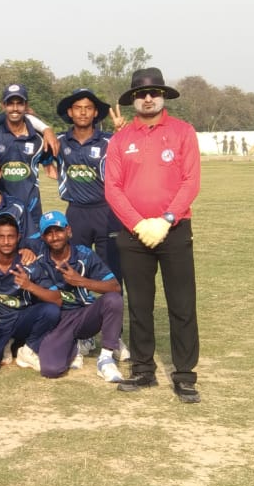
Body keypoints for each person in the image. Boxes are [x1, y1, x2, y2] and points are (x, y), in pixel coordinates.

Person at [104, 67, 202, 403]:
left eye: (153, 93)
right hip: (134, 234)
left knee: (182, 304)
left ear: (162, 96)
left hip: (174, 230)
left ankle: (185, 375)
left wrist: (166, 219)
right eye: (141, 94)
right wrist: (138, 224)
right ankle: (143, 369)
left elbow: (191, 181)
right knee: (140, 305)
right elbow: (113, 188)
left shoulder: (183, 132)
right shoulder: (120, 140)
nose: (148, 98)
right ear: (133, 99)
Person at [23, 211, 127, 381]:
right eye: (49, 233)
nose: (54, 237)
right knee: (51, 369)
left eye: (58, 230)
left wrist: (81, 281)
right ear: (42, 237)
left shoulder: (84, 254)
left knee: (113, 300)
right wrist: (24, 250)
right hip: (58, 320)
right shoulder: (39, 256)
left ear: (69, 230)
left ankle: (106, 359)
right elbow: (9, 242)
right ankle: (75, 345)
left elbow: (115, 287)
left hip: (85, 315)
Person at [0, 213, 60, 374]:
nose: (6, 242)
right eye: (1, 237)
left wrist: (29, 286)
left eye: (11, 237)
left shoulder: (28, 263)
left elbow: (57, 299)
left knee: (51, 311)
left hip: (21, 320)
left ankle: (28, 349)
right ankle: (6, 343)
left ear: (18, 237)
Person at [49, 88, 123, 276]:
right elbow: (40, 154)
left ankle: (113, 296)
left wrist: (123, 134)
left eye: (88, 108)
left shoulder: (109, 140)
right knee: (75, 268)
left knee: (111, 269)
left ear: (95, 112)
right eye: (78, 108)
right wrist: (44, 128)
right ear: (70, 112)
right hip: (76, 213)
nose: (83, 112)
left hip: (106, 212)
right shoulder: (59, 141)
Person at [0, 84, 50, 232]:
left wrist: (48, 129)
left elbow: (50, 164)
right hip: (2, 210)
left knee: (32, 246)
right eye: (10, 103)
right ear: (3, 105)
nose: (15, 108)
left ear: (26, 105)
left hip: (32, 210)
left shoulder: (39, 139)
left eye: (19, 103)